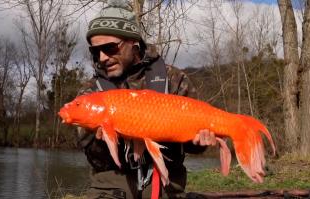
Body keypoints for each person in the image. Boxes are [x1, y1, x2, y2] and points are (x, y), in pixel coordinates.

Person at [77, 1, 217, 198]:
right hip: (110, 187)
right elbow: (96, 160)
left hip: (167, 185)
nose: (102, 58)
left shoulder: (173, 79)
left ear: (133, 43)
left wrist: (200, 141)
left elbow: (194, 147)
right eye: (95, 51)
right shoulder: (90, 93)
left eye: (109, 48)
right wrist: (104, 140)